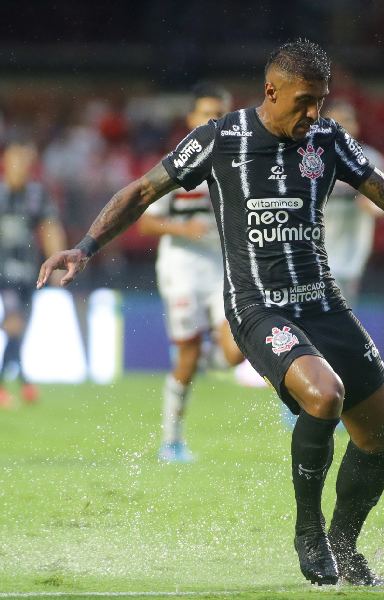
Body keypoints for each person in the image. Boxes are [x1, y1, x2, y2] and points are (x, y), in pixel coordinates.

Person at [37, 38, 384, 587]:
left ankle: (345, 548)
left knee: (380, 436)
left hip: (323, 301)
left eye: (320, 100)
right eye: (303, 101)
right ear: (271, 91)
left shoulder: (327, 138)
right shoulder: (220, 138)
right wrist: (84, 247)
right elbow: (140, 192)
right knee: (323, 396)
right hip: (258, 307)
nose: (313, 113)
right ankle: (309, 531)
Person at [137, 82, 245, 463]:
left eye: (221, 114)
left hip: (222, 269)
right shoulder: (175, 164)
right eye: (206, 114)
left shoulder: (241, 165)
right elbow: (145, 224)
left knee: (237, 350)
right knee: (185, 356)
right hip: (181, 269)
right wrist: (184, 229)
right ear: (191, 120)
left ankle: (202, 358)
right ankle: (172, 441)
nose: (214, 121)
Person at [0, 139, 66, 407]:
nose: (19, 166)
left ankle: (25, 381)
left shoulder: (38, 194)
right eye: (15, 160)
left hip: (29, 271)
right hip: (3, 271)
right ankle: (8, 386)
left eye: (24, 161)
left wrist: (57, 266)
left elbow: (49, 227)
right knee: (14, 323)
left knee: (20, 329)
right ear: (5, 162)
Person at [320, 100, 384, 306]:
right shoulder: (308, 158)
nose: (341, 128)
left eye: (346, 121)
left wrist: (371, 202)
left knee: (341, 320)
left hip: (351, 256)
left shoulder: (370, 159)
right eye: (334, 122)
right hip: (314, 255)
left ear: (356, 126)